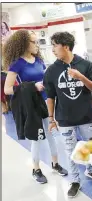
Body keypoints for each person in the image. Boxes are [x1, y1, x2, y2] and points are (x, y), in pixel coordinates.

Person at [3, 29, 67, 184]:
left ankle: (55, 163)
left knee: (51, 134)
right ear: (24, 44)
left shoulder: (38, 60)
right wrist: (32, 86)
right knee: (37, 138)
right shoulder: (17, 64)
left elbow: (44, 79)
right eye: (33, 41)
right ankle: (36, 169)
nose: (37, 45)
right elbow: (7, 89)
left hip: (45, 103)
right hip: (31, 105)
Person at [44, 32, 92, 198]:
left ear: (66, 46)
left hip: (86, 116)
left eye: (55, 45)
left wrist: (81, 77)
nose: (53, 49)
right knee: (70, 150)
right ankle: (75, 180)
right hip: (65, 119)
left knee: (89, 147)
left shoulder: (86, 65)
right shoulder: (52, 70)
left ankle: (90, 170)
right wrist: (51, 119)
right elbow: (50, 96)